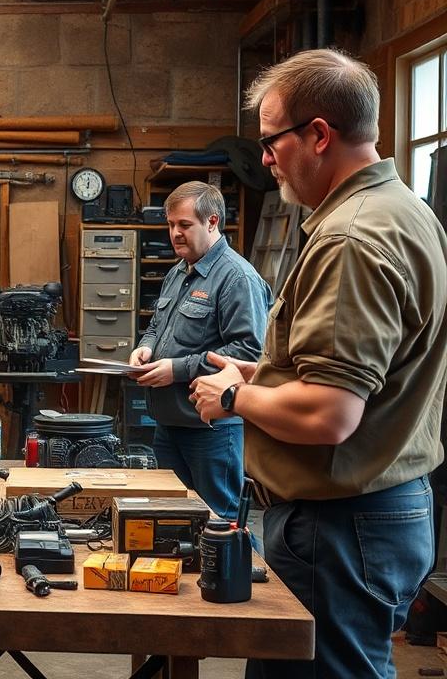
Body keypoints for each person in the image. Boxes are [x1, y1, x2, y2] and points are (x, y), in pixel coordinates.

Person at [190, 48, 447, 678]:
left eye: (271, 140)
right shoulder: (409, 212)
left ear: (320, 135)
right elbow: (371, 374)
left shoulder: (350, 237)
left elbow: (330, 415)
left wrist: (232, 397)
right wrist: (264, 377)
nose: (266, 158)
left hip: (340, 526)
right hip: (379, 510)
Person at [127, 182, 271, 521]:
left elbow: (249, 351)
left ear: (212, 222)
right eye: (171, 225)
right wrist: (145, 348)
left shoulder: (237, 278)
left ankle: (244, 575)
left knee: (221, 523)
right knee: (173, 518)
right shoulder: (178, 272)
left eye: (185, 225)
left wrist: (177, 369)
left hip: (211, 430)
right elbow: (156, 328)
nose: (175, 233)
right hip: (169, 422)